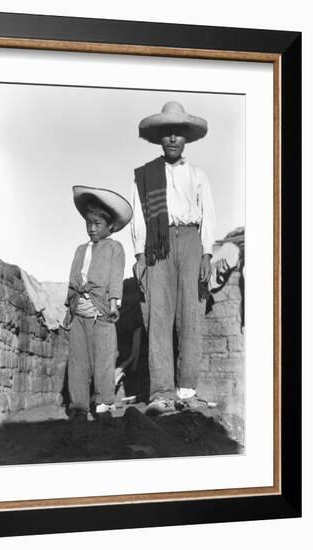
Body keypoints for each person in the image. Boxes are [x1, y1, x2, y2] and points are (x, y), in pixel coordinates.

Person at [131, 100, 216, 414]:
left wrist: (207, 253)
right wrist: (140, 254)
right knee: (159, 317)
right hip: (158, 243)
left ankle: (187, 390)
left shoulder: (198, 175)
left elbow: (209, 215)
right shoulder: (144, 176)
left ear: (186, 138)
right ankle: (162, 393)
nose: (172, 139)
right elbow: (140, 217)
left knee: (190, 316)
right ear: (159, 138)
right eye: (167, 133)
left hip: (191, 241)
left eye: (178, 133)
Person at [63, 186, 132, 422]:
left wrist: (113, 305)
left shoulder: (115, 248)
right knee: (78, 362)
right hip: (79, 315)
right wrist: (69, 309)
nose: (92, 228)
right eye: (88, 223)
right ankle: (79, 406)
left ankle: (104, 402)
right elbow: (73, 280)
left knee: (103, 359)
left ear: (110, 226)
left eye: (97, 224)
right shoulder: (80, 250)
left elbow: (115, 278)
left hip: (101, 314)